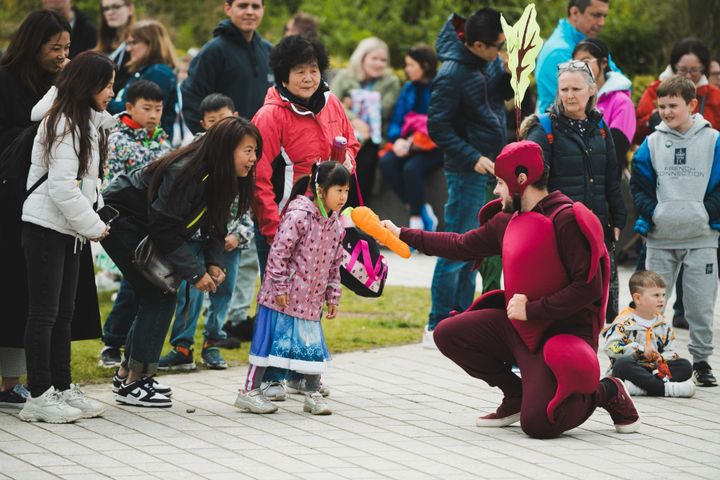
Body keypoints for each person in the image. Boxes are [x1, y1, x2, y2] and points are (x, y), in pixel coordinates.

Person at [380, 140, 640, 438]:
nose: (495, 191)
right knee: (448, 333)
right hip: (518, 329)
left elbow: (588, 288)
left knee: (540, 425)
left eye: (500, 183)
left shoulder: (566, 219)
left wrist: (533, 309)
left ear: (521, 180)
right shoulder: (508, 220)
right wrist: (401, 234)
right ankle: (515, 393)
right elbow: (461, 244)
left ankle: (606, 391)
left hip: (561, 337)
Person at [101, 116, 261, 407]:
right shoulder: (187, 172)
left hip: (145, 226)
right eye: (247, 150)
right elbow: (163, 227)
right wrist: (196, 273)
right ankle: (135, 382)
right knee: (158, 293)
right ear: (226, 149)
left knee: (158, 294)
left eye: (254, 150)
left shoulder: (221, 176)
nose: (253, 158)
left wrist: (215, 263)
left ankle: (128, 374)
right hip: (120, 220)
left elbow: (216, 224)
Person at [252, 35, 358, 399]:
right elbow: (258, 173)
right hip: (283, 224)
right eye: (300, 71)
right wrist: (270, 227)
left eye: (313, 70)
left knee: (309, 300)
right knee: (277, 302)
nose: (308, 78)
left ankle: (301, 373)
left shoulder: (331, 104)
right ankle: (269, 376)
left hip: (323, 225)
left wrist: (346, 164)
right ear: (283, 76)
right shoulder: (270, 115)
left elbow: (352, 143)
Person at [19, 51, 115, 423]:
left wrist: (92, 217)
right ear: (86, 85)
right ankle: (39, 395)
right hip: (46, 227)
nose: (112, 91)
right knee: (44, 314)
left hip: (67, 228)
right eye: (106, 84)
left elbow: (87, 184)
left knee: (63, 314)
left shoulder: (86, 121)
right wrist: (94, 225)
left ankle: (61, 387)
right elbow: (60, 187)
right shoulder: (64, 123)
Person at [423, 8, 511, 347]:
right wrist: (471, 156)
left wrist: (510, 76)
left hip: (493, 167)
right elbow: (437, 126)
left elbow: (494, 98)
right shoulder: (451, 74)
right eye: (496, 46)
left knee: (472, 250)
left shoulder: (485, 61)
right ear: (476, 44)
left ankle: (459, 318)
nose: (499, 51)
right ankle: (436, 323)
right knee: (456, 247)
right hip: (467, 171)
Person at [235, 161, 348, 416]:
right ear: (321, 190)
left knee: (311, 348)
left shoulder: (336, 226)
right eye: (338, 190)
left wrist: (333, 296)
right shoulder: (299, 216)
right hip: (281, 299)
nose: (343, 197)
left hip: (310, 302)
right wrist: (279, 287)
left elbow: (334, 266)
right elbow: (278, 254)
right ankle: (249, 391)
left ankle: (313, 394)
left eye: (346, 191)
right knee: (267, 344)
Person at [0, 9, 71, 410]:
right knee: (11, 291)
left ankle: (23, 381)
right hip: (10, 199)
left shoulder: (60, 82)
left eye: (66, 48)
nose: (60, 55)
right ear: (32, 44)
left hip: (47, 201)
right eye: (53, 47)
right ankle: (10, 382)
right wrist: (40, 128)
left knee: (37, 296)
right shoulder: (6, 80)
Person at [630, 75, 720, 388]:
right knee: (651, 303)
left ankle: (702, 361)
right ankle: (648, 356)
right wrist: (654, 212)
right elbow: (638, 184)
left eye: (673, 105)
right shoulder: (652, 142)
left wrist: (706, 212)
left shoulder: (714, 141)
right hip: (660, 238)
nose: (666, 112)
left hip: (701, 238)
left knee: (699, 302)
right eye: (662, 106)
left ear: (692, 105)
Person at [523, 60, 626, 324]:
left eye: (576, 89)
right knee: (562, 298)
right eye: (564, 89)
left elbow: (611, 177)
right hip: (559, 230)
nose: (569, 95)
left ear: (592, 90)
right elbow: (531, 182)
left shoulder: (601, 128)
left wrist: (617, 220)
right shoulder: (544, 129)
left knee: (598, 305)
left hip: (597, 226)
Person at [159, 94, 253, 371]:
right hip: (198, 238)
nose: (219, 127)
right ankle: (182, 346)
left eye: (225, 120)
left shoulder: (245, 153)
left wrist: (238, 235)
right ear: (202, 124)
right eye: (213, 122)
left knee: (223, 292)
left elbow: (247, 206)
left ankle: (213, 343)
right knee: (191, 291)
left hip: (231, 240)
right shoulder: (196, 150)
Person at [97, 79, 173, 368]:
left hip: (153, 223)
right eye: (147, 108)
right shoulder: (118, 140)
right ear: (129, 107)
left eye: (159, 108)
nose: (154, 114)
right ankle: (112, 342)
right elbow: (111, 181)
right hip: (124, 221)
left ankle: (130, 346)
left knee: (146, 284)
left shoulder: (163, 142)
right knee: (135, 282)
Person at [181, 0, 272, 134]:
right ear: (228, 8)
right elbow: (192, 98)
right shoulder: (213, 51)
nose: (250, 12)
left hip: (266, 146)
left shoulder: (269, 51)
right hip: (226, 147)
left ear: (263, 9)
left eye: (256, 6)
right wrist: (209, 142)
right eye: (242, 6)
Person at [378, 44, 442, 231]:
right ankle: (420, 209)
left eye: (411, 65)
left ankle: (415, 221)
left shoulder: (440, 86)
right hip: (409, 143)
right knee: (386, 163)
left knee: (411, 169)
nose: (407, 69)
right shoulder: (408, 88)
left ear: (425, 66)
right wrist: (397, 139)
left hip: (435, 146)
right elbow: (398, 118)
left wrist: (418, 141)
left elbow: (442, 122)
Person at [330, 37, 401, 207]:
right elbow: (332, 103)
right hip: (344, 134)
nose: (379, 64)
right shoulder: (345, 77)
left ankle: (358, 213)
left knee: (365, 160)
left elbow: (384, 109)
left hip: (375, 138)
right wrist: (353, 118)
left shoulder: (391, 82)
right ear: (362, 58)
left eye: (383, 60)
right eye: (374, 58)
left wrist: (353, 103)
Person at [603, 271, 695, 397]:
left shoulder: (663, 324)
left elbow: (671, 351)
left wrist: (661, 358)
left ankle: (641, 388)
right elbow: (611, 348)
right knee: (622, 364)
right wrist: (640, 350)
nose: (662, 299)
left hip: (655, 370)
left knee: (685, 366)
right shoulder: (623, 323)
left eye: (663, 294)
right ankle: (665, 389)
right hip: (633, 368)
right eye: (656, 295)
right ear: (638, 298)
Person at [536, 0, 617, 113]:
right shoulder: (559, 52)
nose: (602, 22)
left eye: (604, 16)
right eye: (596, 15)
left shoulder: (588, 44)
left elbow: (619, 86)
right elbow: (589, 103)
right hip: (559, 128)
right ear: (575, 12)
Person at [635, 38, 720, 143]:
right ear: (674, 66)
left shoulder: (714, 96)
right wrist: (652, 118)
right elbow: (637, 133)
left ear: (704, 69)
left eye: (694, 70)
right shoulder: (655, 90)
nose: (688, 75)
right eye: (683, 70)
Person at [572, 38, 635, 176]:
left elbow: (615, 149)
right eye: (576, 64)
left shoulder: (621, 102)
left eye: (586, 61)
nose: (580, 68)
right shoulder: (573, 99)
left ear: (604, 63)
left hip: (605, 182)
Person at [107, 20, 177, 135]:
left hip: (150, 146)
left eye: (133, 43)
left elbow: (137, 110)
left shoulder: (158, 74)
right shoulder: (144, 71)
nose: (128, 49)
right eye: (128, 44)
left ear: (152, 44)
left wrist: (102, 101)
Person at [96, 0, 135, 94]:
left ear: (130, 9)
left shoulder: (136, 45)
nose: (110, 12)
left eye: (116, 7)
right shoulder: (101, 46)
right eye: (106, 9)